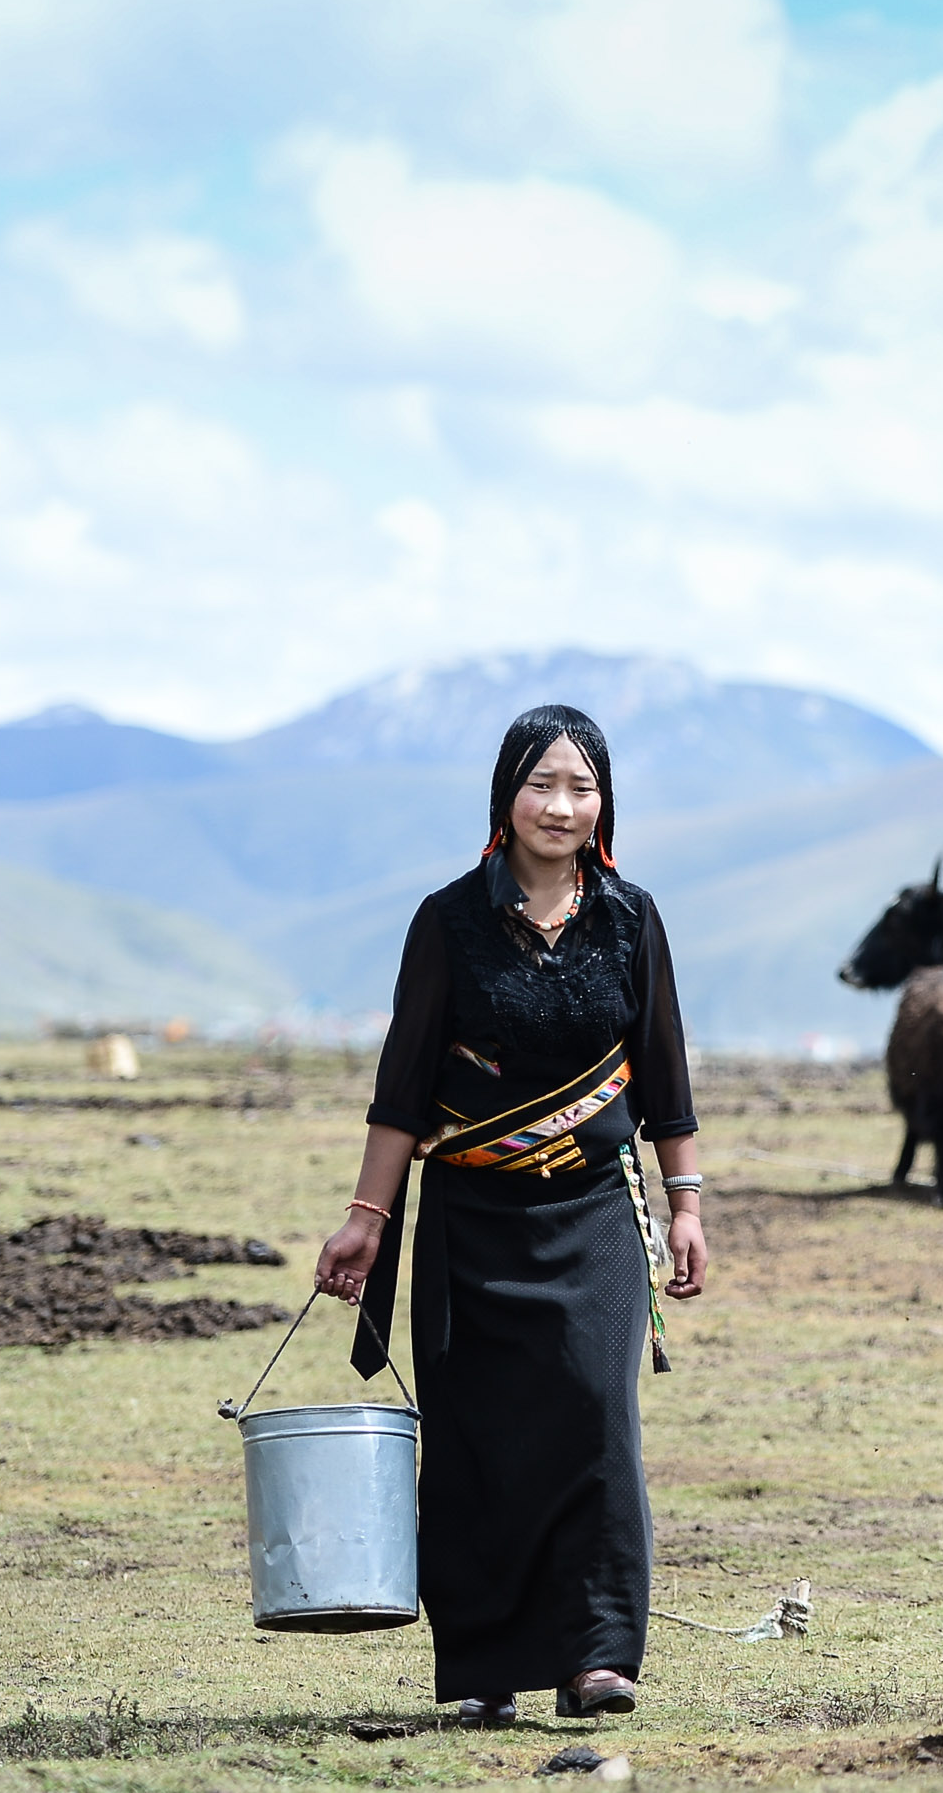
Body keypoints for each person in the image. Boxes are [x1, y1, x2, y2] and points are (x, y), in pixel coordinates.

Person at [313, 704, 708, 1728]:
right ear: (507, 794)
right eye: (544, 783)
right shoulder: (448, 920)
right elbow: (404, 1086)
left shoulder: (631, 918)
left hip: (595, 1214)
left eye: (582, 786)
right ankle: (486, 1663)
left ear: (604, 802)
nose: (562, 804)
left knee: (595, 1417)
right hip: (469, 1218)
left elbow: (664, 1068)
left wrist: (690, 1202)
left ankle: (597, 1654)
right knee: (476, 1433)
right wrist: (366, 1215)